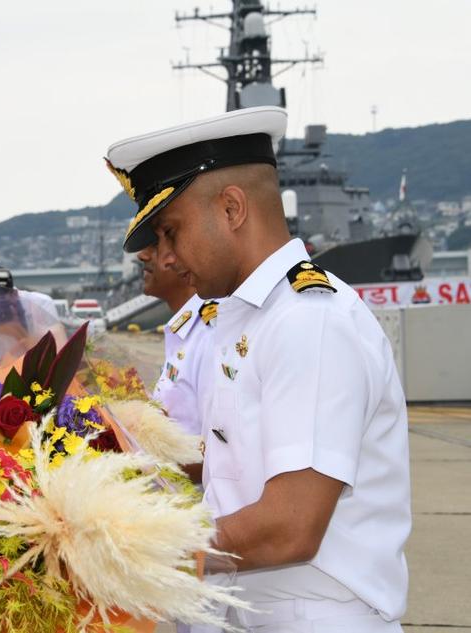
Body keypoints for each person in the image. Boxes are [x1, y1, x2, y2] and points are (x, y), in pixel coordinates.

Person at [106, 106, 410, 632]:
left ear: (231, 209)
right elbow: (238, 469)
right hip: (254, 612)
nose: (169, 256)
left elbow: (288, 528)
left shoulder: (308, 321)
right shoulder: (248, 318)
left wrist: (138, 551)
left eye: (172, 232)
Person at [138, 248, 216, 485]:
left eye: (156, 243)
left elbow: (223, 458)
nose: (142, 256)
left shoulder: (211, 335)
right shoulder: (186, 331)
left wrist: (128, 463)